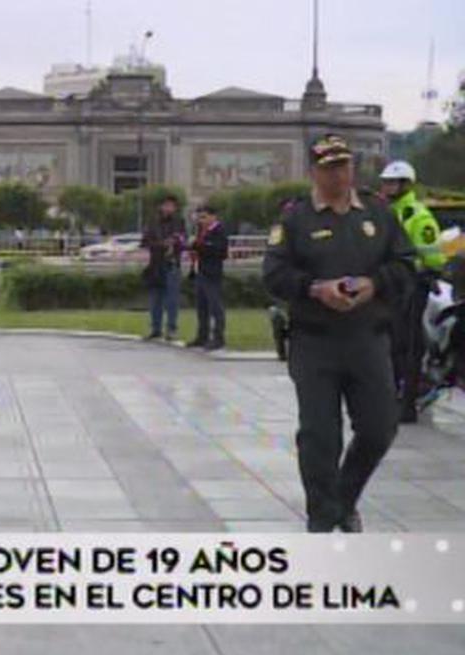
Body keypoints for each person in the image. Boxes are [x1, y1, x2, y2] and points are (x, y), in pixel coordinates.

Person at [263, 134, 415, 533]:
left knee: (380, 427)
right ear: (313, 171)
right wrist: (315, 289)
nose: (339, 174)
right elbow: (274, 274)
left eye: (344, 165)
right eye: (330, 167)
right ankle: (321, 516)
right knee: (319, 435)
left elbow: (405, 265)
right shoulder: (296, 218)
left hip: (367, 338)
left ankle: (342, 500)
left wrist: (373, 284)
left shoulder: (379, 214)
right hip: (315, 342)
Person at [378, 160, 447, 423]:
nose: (386, 187)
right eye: (384, 182)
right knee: (389, 344)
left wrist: (422, 272)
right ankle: (391, 396)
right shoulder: (386, 211)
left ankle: (406, 404)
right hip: (388, 286)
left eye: (392, 182)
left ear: (406, 184)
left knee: (407, 345)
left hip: (412, 285)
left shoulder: (417, 215)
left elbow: (433, 257)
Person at [141, 193, 186, 341]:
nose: (168, 208)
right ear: (161, 206)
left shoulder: (179, 222)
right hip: (155, 264)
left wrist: (175, 244)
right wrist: (161, 244)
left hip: (172, 264)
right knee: (155, 298)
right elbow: (145, 242)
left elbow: (182, 241)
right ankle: (156, 328)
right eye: (165, 205)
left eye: (171, 205)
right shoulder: (153, 222)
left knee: (172, 298)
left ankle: (171, 329)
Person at [187, 204, 229, 350]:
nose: (201, 220)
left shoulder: (219, 231)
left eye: (204, 217)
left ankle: (218, 337)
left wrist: (200, 245)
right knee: (201, 307)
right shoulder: (201, 231)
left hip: (212, 273)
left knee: (215, 306)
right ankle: (202, 336)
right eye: (199, 218)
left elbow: (220, 251)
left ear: (213, 217)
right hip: (200, 271)